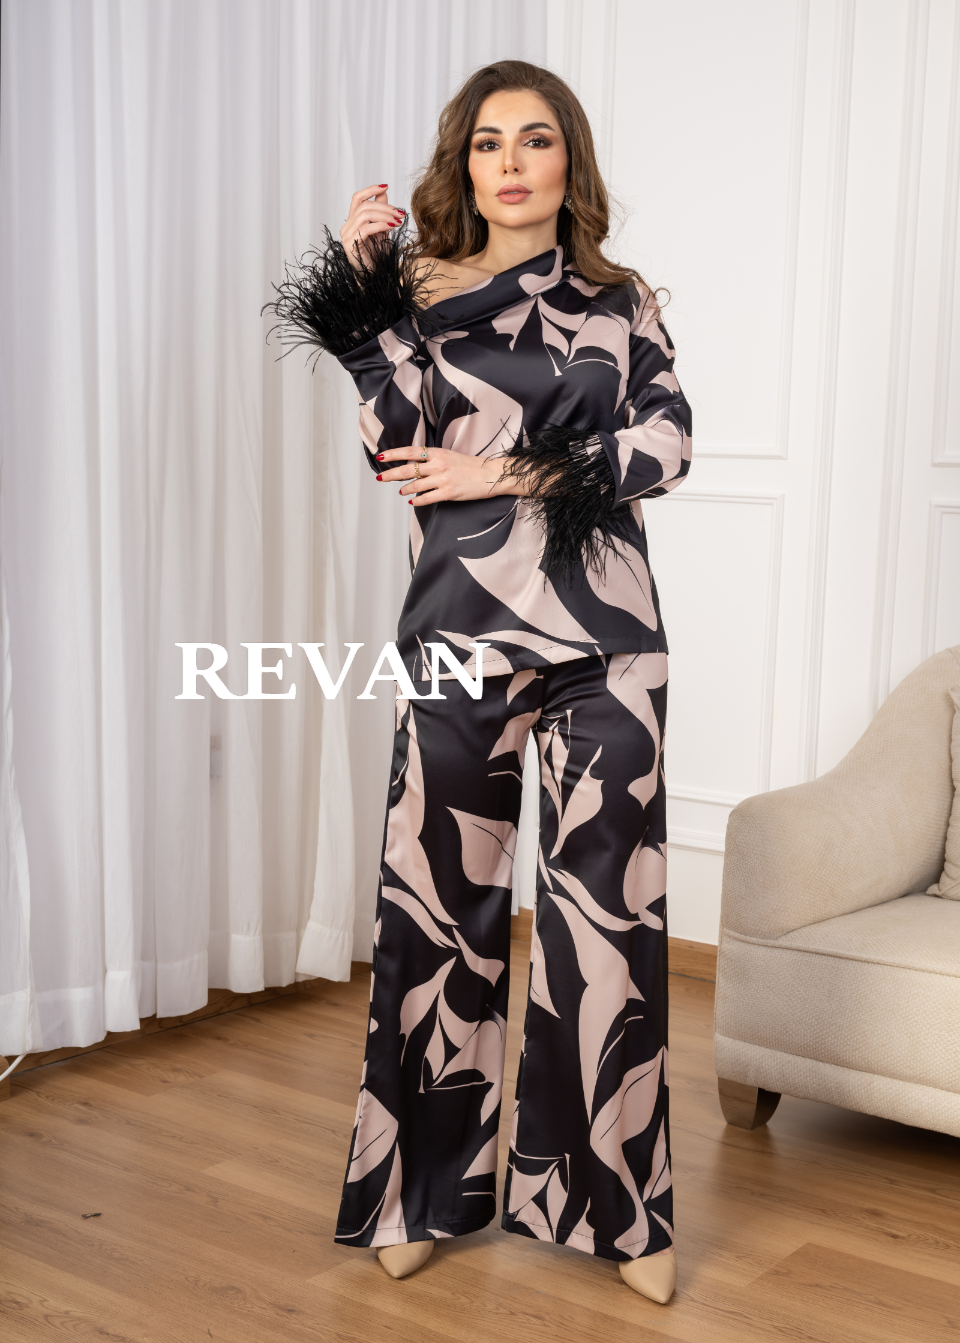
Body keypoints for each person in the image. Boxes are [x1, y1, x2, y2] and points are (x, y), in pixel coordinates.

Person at [266, 59, 691, 1306]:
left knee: (608, 925)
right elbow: (397, 446)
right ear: (464, 164)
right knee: (436, 913)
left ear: (570, 161)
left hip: (608, 645)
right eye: (488, 142)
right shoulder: (421, 299)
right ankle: (415, 1190)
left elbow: (665, 444)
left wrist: (503, 473)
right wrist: (362, 292)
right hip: (460, 631)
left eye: (536, 139)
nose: (511, 162)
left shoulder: (624, 301)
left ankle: (617, 1209)